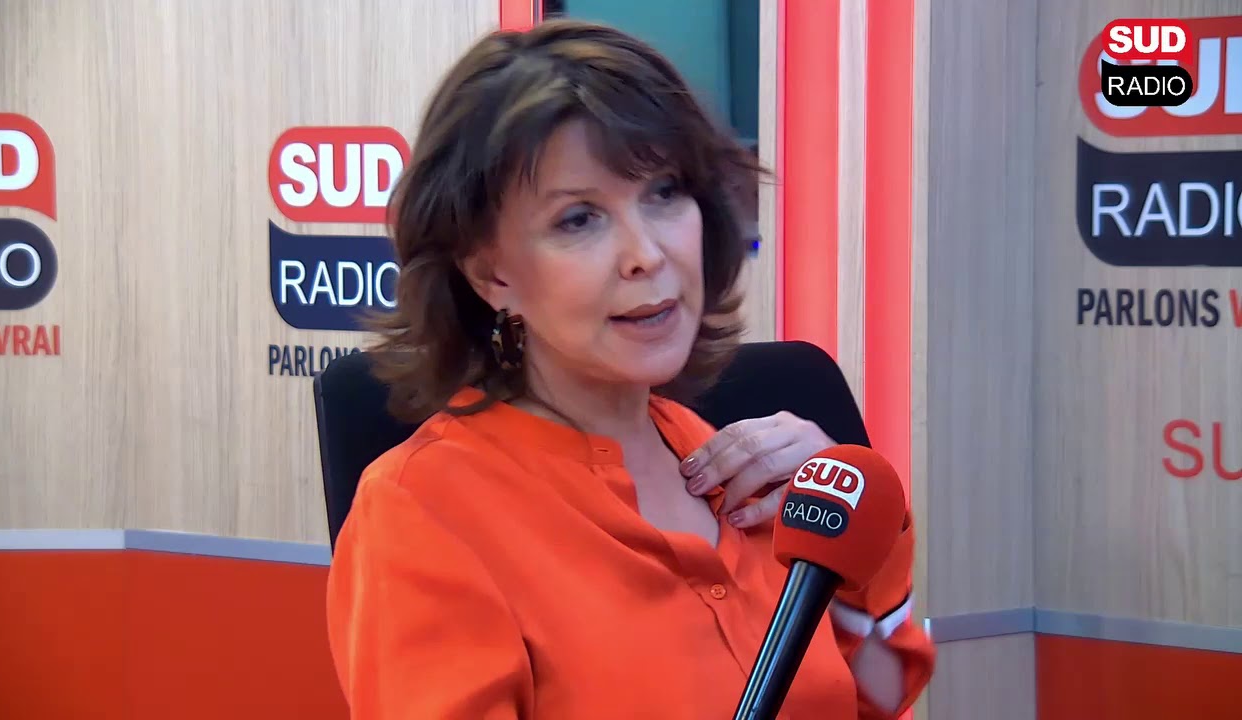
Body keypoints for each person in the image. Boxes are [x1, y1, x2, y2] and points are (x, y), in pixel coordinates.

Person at [326, 19, 935, 719]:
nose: (646, 253)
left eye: (664, 192)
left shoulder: (746, 472)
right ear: (492, 273)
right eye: (579, 219)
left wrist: (864, 542)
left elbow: (881, 695)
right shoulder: (421, 512)